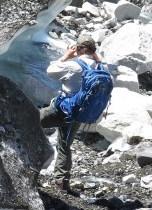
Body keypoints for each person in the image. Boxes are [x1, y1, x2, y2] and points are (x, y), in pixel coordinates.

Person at [39, 35, 102, 192]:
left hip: (60, 110)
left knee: (28, 120)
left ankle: (25, 163)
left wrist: (66, 56)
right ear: (93, 51)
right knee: (64, 146)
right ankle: (62, 183)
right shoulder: (101, 68)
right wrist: (94, 56)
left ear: (80, 50)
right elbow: (99, 62)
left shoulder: (74, 65)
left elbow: (50, 71)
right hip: (79, 114)